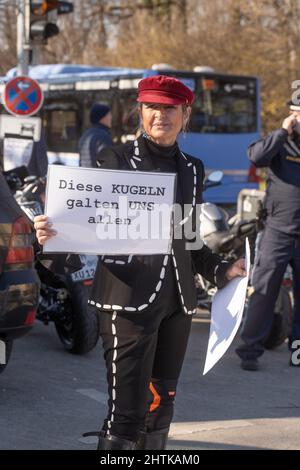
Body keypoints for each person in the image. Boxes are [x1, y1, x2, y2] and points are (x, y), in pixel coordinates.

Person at [34, 75, 245, 451]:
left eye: (169, 108)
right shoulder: (113, 159)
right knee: (127, 414)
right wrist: (54, 235)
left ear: (185, 114)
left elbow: (189, 238)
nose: (160, 115)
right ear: (141, 111)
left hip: (178, 304)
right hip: (126, 302)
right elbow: (82, 225)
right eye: (152, 107)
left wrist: (221, 269)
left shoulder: (192, 168)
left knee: (161, 405)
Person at [236, 100, 300, 371]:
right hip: (278, 230)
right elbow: (255, 157)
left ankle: (297, 352)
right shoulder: (279, 142)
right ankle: (250, 351)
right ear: (293, 115)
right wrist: (282, 132)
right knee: (263, 291)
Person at [79, 103, 113, 168]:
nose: (111, 117)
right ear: (103, 117)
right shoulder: (103, 136)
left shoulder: (85, 135)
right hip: (98, 177)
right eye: (109, 115)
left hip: (85, 176)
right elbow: (108, 164)